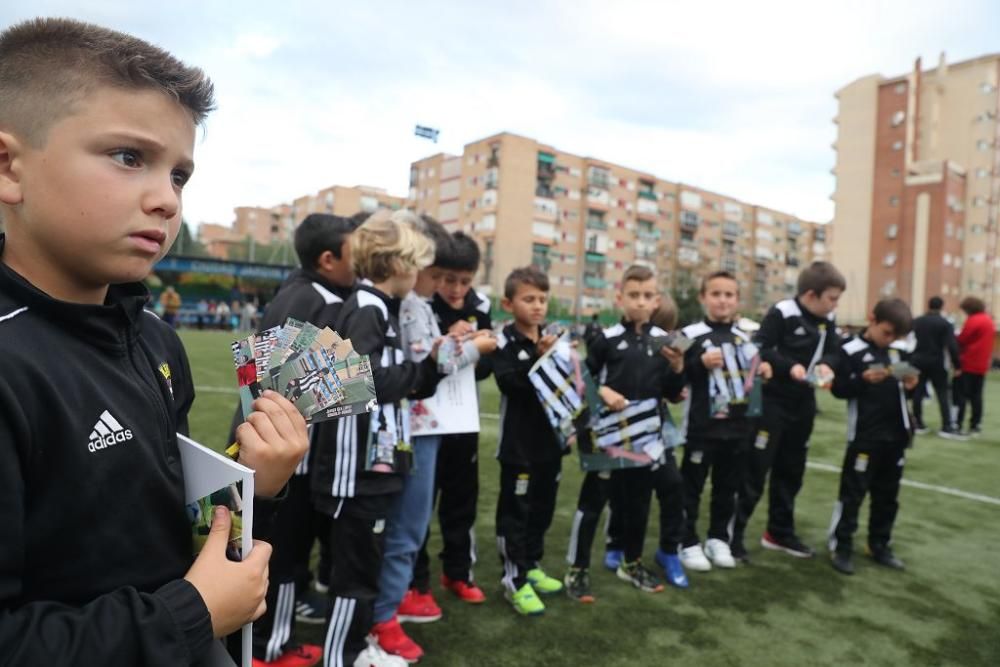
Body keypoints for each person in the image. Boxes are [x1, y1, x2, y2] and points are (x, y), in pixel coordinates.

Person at [0, 18, 310, 665]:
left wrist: (256, 485)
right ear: (8, 166)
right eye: (129, 157)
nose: (168, 200)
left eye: (180, 175)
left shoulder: (155, 339)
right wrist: (188, 614)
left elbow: (166, 519)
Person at [228, 213, 357, 667]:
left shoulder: (292, 291)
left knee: (270, 545)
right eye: (355, 251)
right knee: (282, 548)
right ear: (328, 259)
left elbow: (251, 371)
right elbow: (306, 385)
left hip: (260, 434)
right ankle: (268, 646)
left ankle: (266, 638)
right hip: (284, 450)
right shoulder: (320, 299)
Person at [370, 213, 497, 662]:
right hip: (413, 428)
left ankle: (394, 598)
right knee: (405, 527)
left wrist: (453, 340)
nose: (440, 281)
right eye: (433, 270)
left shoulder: (414, 303)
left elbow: (425, 354)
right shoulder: (402, 303)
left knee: (409, 525)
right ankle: (382, 617)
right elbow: (425, 364)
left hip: (424, 426)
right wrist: (473, 348)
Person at [316, 216, 442, 667]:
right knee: (355, 577)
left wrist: (429, 367)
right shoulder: (368, 307)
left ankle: (353, 650)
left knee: (361, 570)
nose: (419, 277)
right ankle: (343, 657)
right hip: (357, 476)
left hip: (375, 469)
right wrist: (426, 370)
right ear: (397, 265)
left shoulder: (375, 306)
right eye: (415, 266)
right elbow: (358, 380)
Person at [564, 265, 687, 603]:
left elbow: (672, 391)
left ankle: (632, 563)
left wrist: (678, 368)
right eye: (633, 295)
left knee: (639, 503)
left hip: (646, 438)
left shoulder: (665, 342)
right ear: (620, 298)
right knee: (592, 505)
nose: (640, 302)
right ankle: (577, 569)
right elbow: (582, 381)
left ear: (656, 301)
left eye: (647, 296)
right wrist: (602, 391)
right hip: (608, 436)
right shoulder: (604, 339)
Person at [733, 261, 845, 561]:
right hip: (771, 402)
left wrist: (827, 366)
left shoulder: (828, 319)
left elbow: (836, 351)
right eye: (832, 298)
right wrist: (788, 366)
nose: (835, 304)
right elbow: (760, 347)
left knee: (792, 471)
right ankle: (732, 535)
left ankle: (779, 532)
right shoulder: (782, 312)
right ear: (811, 295)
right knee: (755, 470)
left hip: (803, 404)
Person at [412, 231, 494, 604]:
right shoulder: (421, 304)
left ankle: (457, 572)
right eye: (449, 280)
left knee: (462, 500)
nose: (457, 289)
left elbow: (484, 369)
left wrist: (477, 349)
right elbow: (421, 360)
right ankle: (418, 582)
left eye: (465, 280)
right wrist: (451, 339)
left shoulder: (481, 305)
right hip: (426, 421)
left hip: (463, 421)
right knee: (420, 505)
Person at [677, 272, 772, 573]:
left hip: (738, 428)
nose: (722, 300)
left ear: (737, 300)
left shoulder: (747, 338)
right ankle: (686, 540)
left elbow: (752, 383)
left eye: (729, 295)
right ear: (703, 297)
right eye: (716, 294)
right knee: (691, 486)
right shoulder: (686, 334)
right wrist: (697, 364)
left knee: (728, 487)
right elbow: (671, 377)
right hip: (701, 429)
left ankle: (718, 537)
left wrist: (764, 371)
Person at [492, 267, 567, 615]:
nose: (537, 306)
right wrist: (539, 357)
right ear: (509, 303)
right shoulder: (504, 341)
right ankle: (514, 579)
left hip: (550, 444)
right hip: (518, 448)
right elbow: (511, 384)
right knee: (515, 514)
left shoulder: (555, 340)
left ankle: (531, 565)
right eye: (529, 299)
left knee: (542, 509)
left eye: (542, 299)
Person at [828, 298, 918, 574]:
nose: (890, 339)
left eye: (896, 336)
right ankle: (840, 546)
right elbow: (839, 389)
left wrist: (913, 383)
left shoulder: (897, 351)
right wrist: (863, 380)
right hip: (865, 437)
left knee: (888, 497)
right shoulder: (850, 350)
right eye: (887, 332)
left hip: (896, 437)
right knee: (852, 494)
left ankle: (879, 544)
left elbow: (909, 386)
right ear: (872, 319)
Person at [910, 296, 963, 439]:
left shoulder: (918, 321)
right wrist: (957, 364)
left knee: (918, 393)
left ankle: (917, 423)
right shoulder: (945, 323)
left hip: (918, 359)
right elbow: (951, 346)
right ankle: (946, 426)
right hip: (937, 361)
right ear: (941, 307)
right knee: (942, 393)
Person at [953, 296, 995, 436]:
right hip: (982, 364)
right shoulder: (988, 320)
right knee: (977, 396)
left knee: (962, 396)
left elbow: (963, 338)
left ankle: (958, 424)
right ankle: (975, 424)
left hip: (969, 362)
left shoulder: (974, 320)